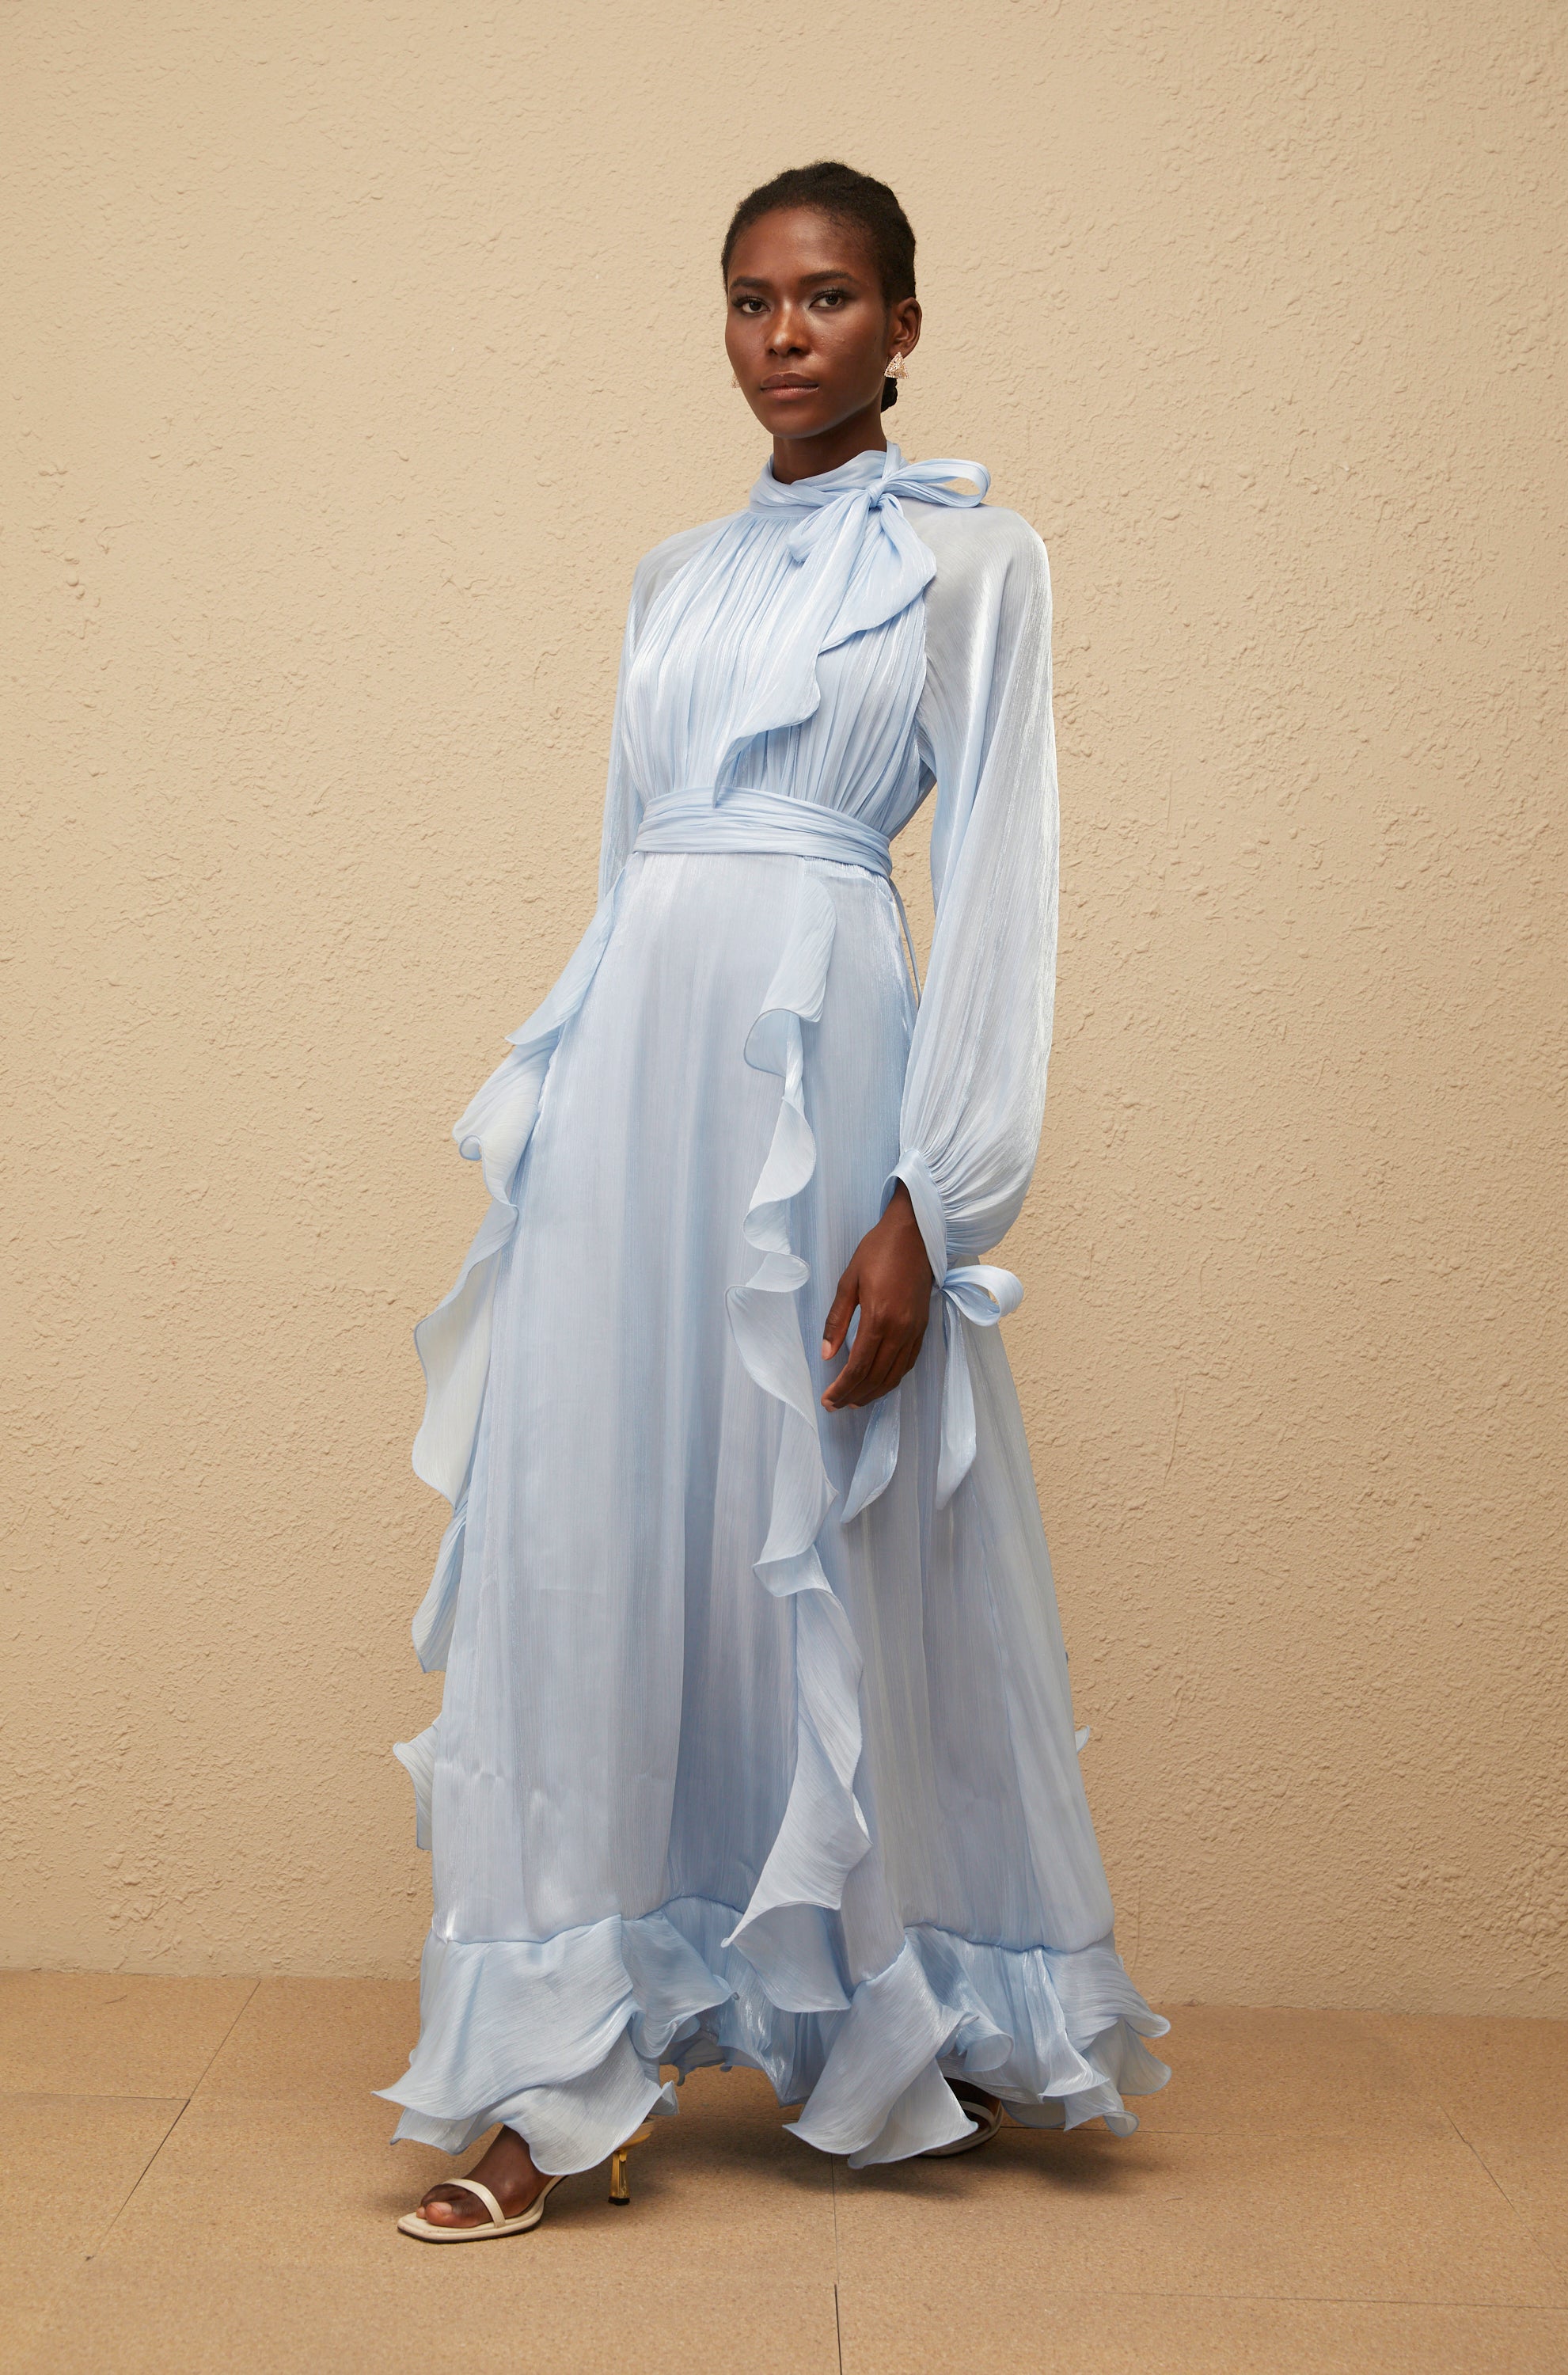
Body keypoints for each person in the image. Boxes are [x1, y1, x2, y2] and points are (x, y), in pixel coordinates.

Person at [382, 160, 1170, 2241]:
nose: (783, 332)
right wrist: (563, 1107)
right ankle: (566, 2071)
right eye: (750, 299)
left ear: (903, 325)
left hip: (828, 1071)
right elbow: (632, 862)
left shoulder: (977, 560)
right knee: (603, 1521)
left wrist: (934, 1194)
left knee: (827, 1520)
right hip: (634, 1076)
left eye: (825, 297)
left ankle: (889, 2006)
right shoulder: (670, 576)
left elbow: (998, 882)